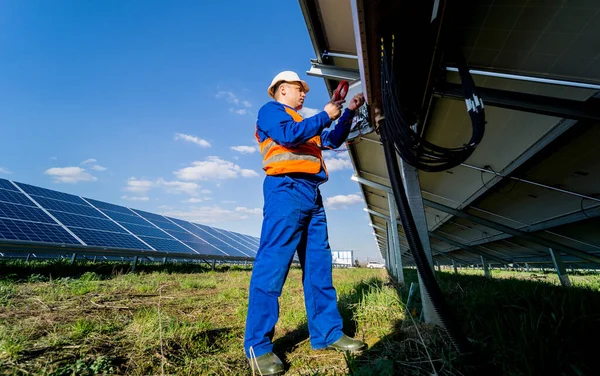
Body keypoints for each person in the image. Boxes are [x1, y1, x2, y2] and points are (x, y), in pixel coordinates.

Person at [244, 71, 366, 375]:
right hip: (285, 191)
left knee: (318, 266)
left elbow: (333, 139)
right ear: (282, 89)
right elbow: (287, 136)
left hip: (311, 195)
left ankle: (327, 333)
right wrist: (325, 114)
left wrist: (347, 111)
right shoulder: (271, 112)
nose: (303, 95)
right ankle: (258, 347)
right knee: (272, 268)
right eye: (300, 90)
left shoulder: (304, 124)